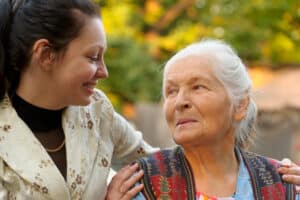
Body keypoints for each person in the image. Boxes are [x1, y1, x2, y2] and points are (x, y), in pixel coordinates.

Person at [0, 0, 159, 199]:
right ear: (46, 54)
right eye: (93, 57)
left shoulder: (98, 112)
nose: (104, 72)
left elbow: (160, 166)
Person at [135, 39, 300, 199]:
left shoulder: (283, 185)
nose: (180, 102)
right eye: (171, 91)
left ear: (240, 105)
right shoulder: (142, 183)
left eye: (198, 87)